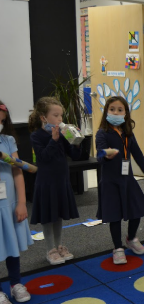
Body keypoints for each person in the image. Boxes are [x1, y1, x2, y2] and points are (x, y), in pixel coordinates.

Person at [96, 96, 144, 265]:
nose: (116, 112)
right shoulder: (102, 133)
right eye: (112, 109)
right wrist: (107, 154)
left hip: (128, 180)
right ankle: (117, 248)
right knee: (115, 216)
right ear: (106, 112)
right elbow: (99, 155)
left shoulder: (128, 134)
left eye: (120, 110)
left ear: (125, 113)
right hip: (110, 182)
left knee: (137, 210)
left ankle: (131, 238)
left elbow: (139, 156)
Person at [29, 97, 81, 265]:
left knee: (58, 214)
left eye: (61, 116)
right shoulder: (36, 136)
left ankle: (59, 246)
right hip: (46, 182)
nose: (60, 119)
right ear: (43, 117)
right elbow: (43, 157)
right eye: (56, 115)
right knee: (47, 215)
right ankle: (50, 249)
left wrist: (76, 141)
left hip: (61, 181)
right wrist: (54, 139)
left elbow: (74, 156)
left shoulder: (63, 133)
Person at [0, 101, 33, 303]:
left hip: (8, 203)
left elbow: (18, 171)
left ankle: (15, 283)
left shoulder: (8, 140)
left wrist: (21, 202)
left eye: (2, 121)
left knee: (11, 244)